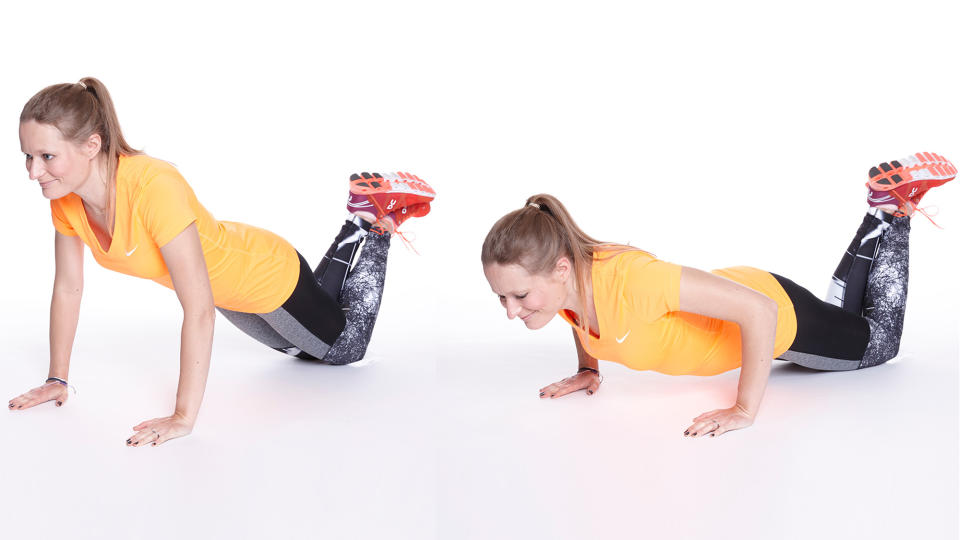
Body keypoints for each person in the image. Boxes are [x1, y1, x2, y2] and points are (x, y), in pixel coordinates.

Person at [8, 77, 435, 447]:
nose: (33, 171)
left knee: (344, 350)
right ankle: (360, 215)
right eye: (27, 156)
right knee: (299, 350)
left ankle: (377, 227)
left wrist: (182, 417)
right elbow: (68, 287)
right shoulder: (66, 200)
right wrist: (56, 380)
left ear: (91, 145)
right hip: (231, 291)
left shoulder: (153, 186)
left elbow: (197, 309)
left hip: (263, 277)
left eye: (47, 156)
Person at [481, 152, 955, 438]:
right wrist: (589, 370)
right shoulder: (568, 290)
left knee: (879, 342)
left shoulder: (635, 280)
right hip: (748, 290)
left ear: (560, 268)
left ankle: (894, 213)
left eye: (519, 296)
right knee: (842, 316)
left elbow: (758, 310)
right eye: (502, 299)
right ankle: (881, 209)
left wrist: (744, 409)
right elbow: (578, 316)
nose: (511, 311)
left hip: (780, 320)